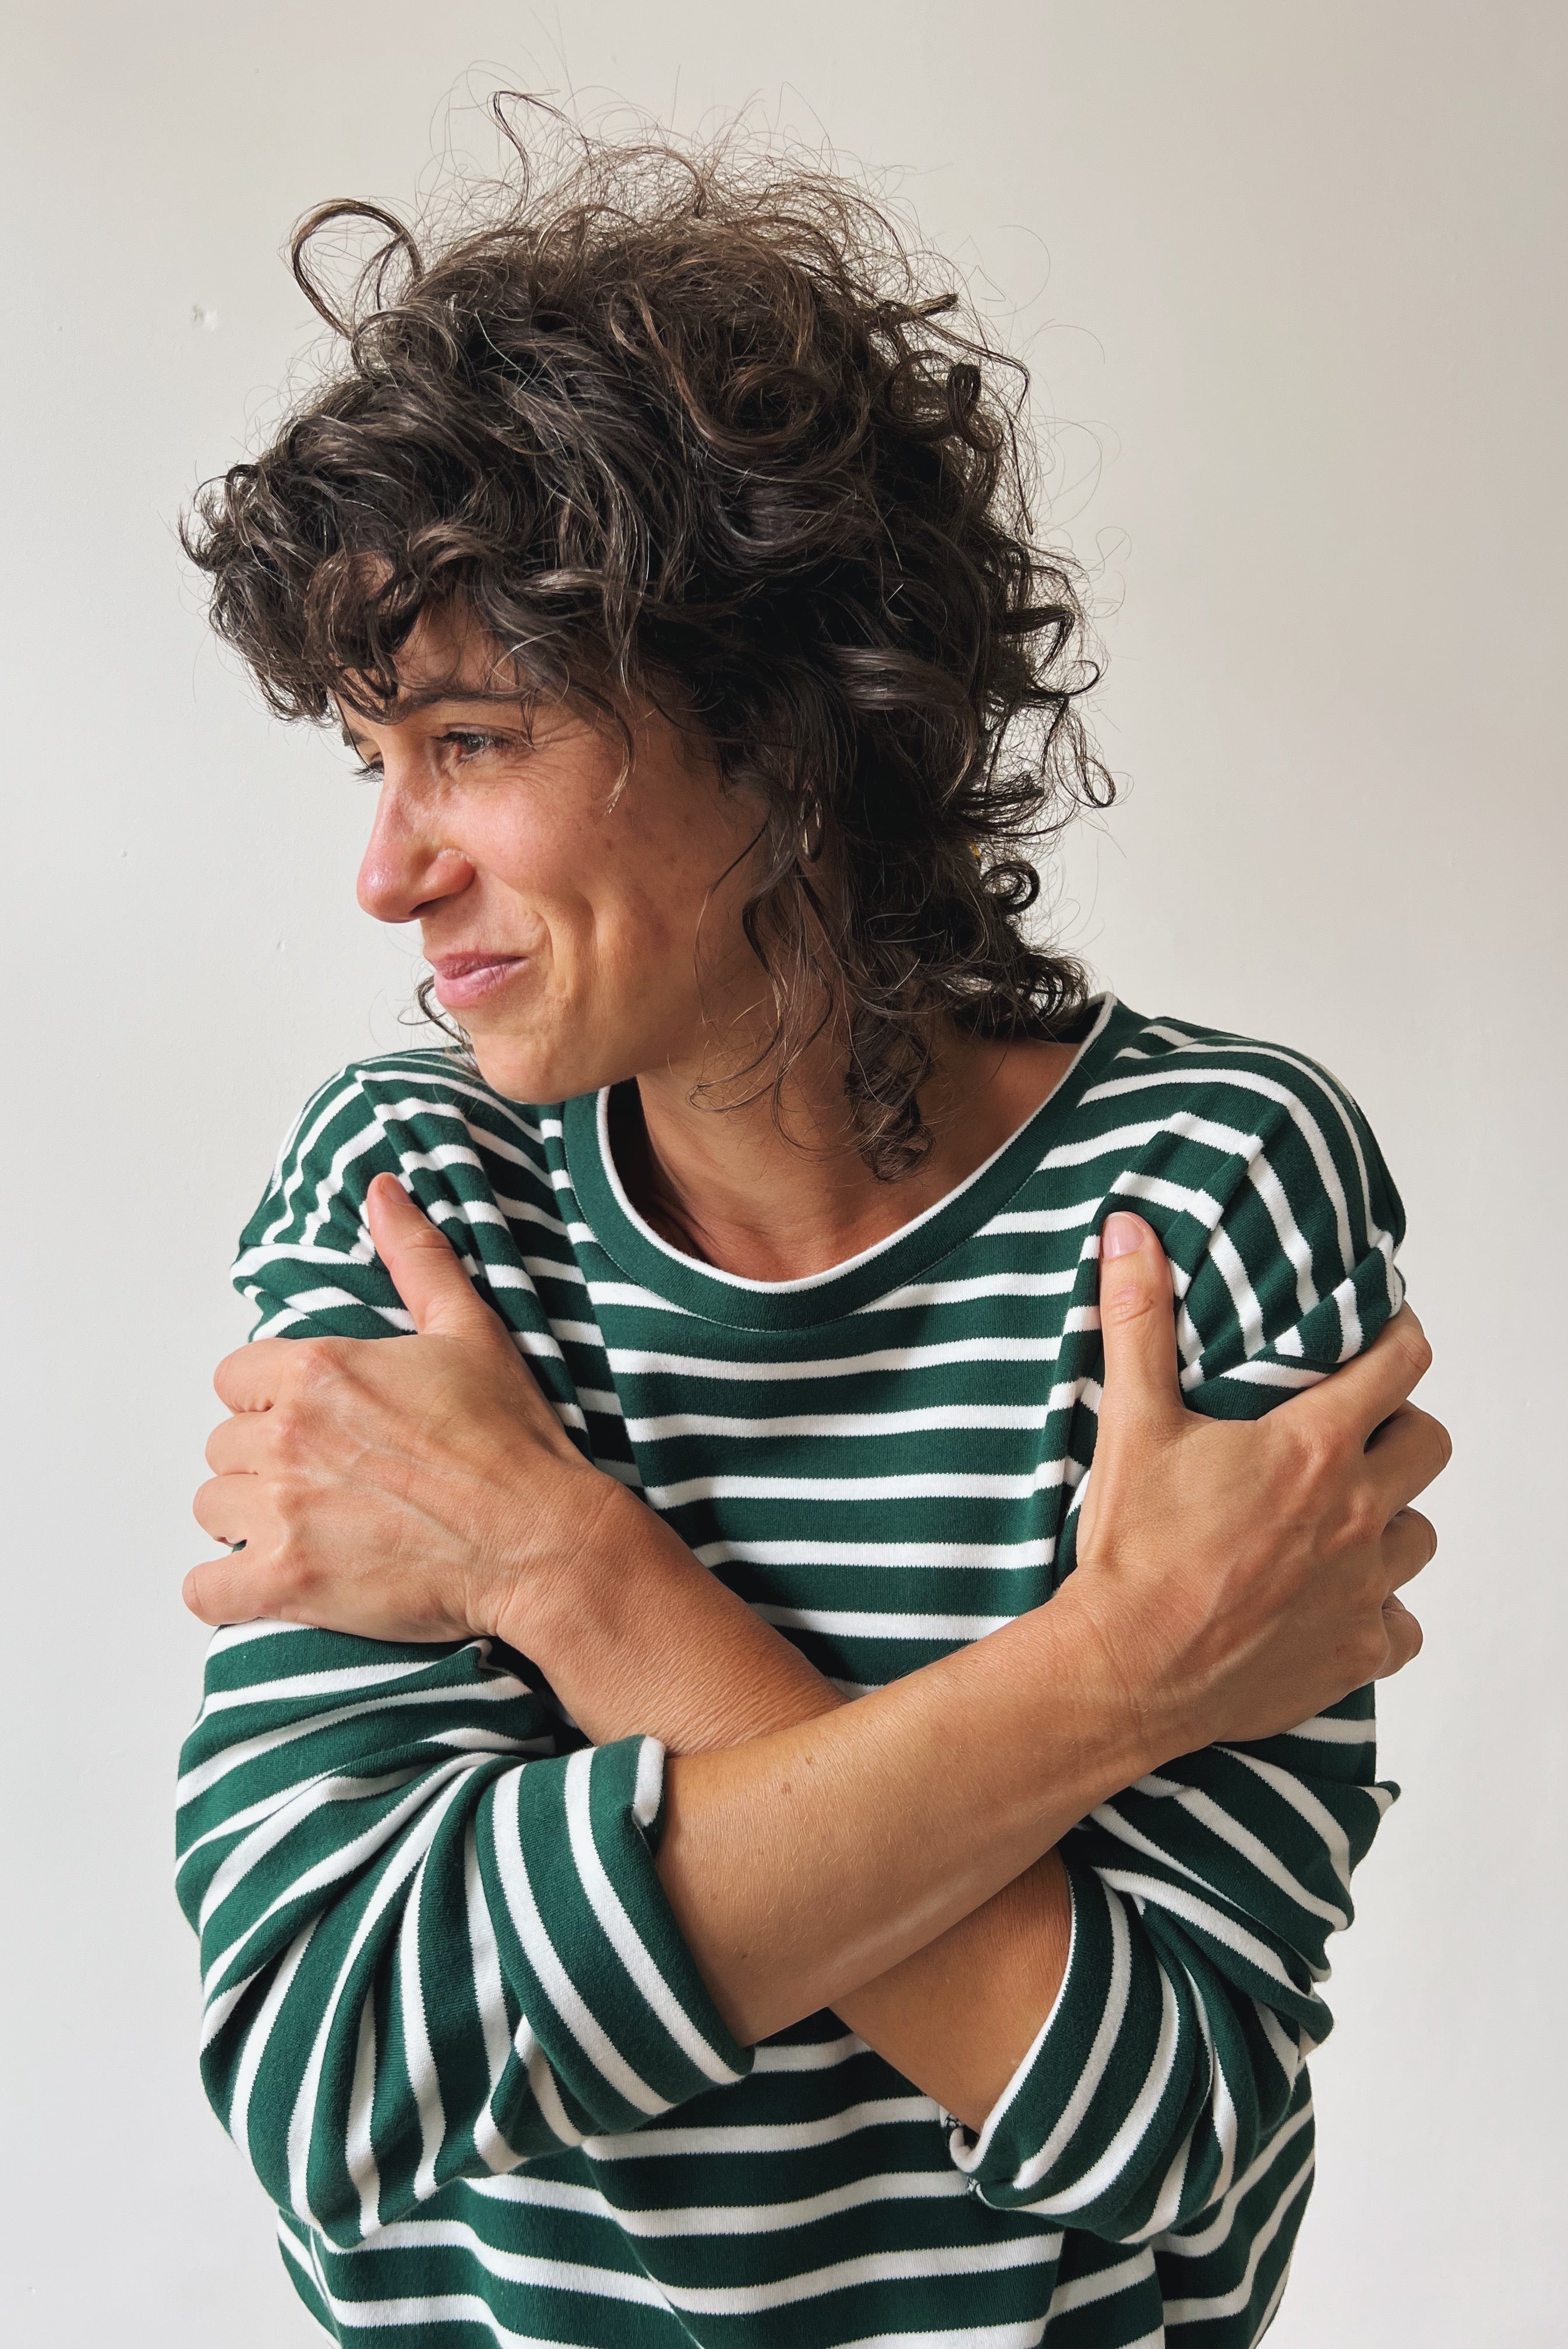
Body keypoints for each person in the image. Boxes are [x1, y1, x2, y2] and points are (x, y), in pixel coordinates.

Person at [176, 119, 1447, 2349]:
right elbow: (341, 2064)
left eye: (470, 742)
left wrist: (562, 1576)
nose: (386, 873)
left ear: (773, 736)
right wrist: (1120, 1668)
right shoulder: (410, 1194)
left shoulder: (1204, 1187)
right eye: (373, 759)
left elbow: (1176, 2126)